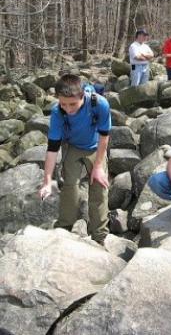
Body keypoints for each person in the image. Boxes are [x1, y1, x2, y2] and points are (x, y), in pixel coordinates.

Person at [38, 74, 112, 245]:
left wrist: (99, 167)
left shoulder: (99, 104)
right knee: (70, 186)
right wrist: (47, 181)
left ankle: (100, 236)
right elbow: (52, 148)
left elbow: (104, 137)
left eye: (72, 104)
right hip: (72, 147)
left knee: (100, 188)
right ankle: (64, 228)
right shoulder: (58, 112)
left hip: (96, 147)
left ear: (82, 96)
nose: (68, 109)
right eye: (63, 104)